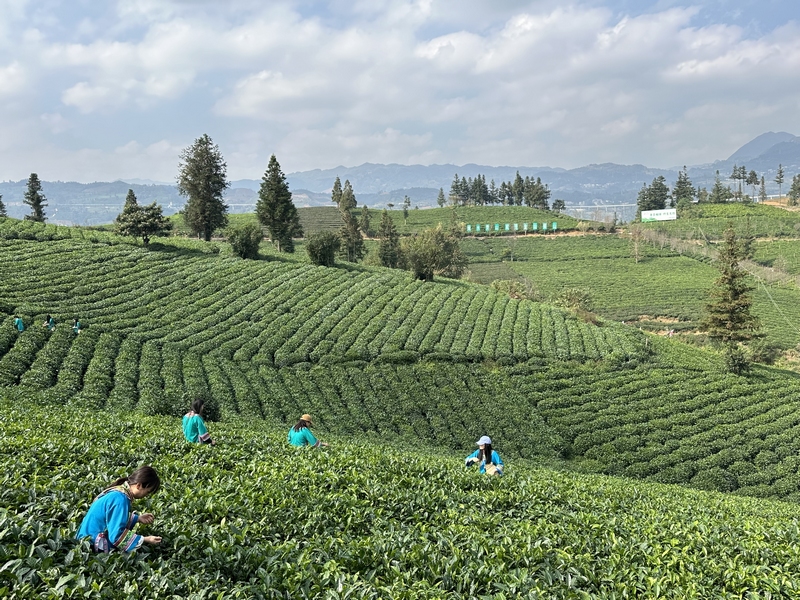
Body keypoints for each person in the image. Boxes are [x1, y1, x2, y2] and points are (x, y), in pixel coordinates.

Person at [76, 466, 162, 553]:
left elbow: (113, 517)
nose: (146, 496)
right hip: (90, 545)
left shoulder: (119, 492)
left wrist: (138, 518)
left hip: (84, 538)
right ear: (139, 485)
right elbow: (116, 535)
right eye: (147, 492)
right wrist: (145, 539)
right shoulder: (120, 499)